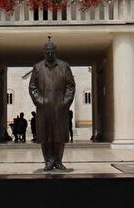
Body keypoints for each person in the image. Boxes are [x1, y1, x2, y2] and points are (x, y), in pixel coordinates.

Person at [29, 38, 75, 171]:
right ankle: (48, 161)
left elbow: (70, 86)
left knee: (59, 136)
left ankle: (59, 161)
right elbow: (32, 87)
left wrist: (65, 102)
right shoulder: (37, 67)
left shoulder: (64, 66)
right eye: (47, 52)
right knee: (46, 136)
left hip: (60, 107)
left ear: (56, 52)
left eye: (52, 52)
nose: (49, 54)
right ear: (44, 53)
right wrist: (40, 101)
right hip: (44, 108)